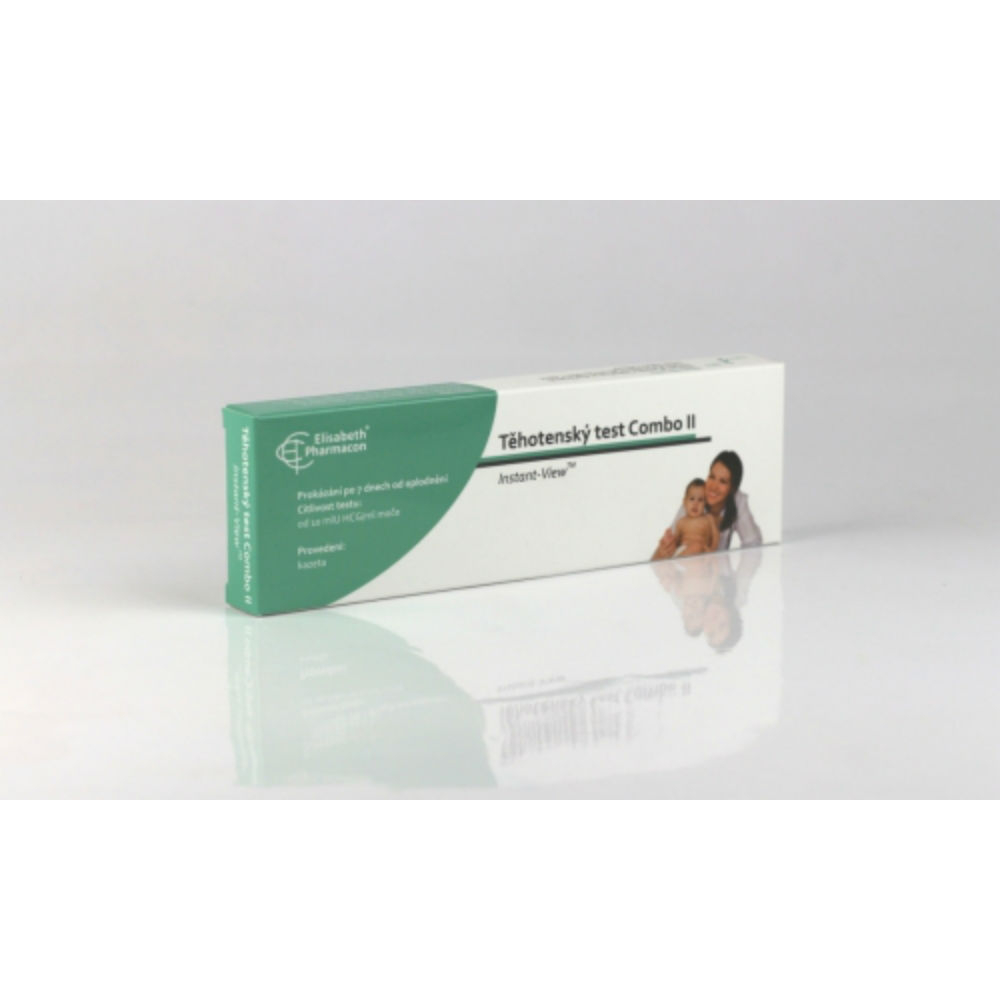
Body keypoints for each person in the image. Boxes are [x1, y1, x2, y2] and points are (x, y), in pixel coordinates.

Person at [651, 450, 761, 560]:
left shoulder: (738, 501)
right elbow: (659, 555)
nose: (713, 487)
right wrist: (666, 549)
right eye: (712, 477)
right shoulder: (695, 497)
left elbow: (753, 543)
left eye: (722, 481)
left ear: (733, 488)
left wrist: (736, 571)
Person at [666, 478, 719, 558]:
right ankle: (676, 563)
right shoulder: (682, 522)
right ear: (684, 502)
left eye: (700, 500)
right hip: (684, 553)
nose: (695, 503)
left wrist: (712, 551)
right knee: (696, 546)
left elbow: (716, 536)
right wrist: (670, 540)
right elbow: (676, 542)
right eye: (692, 499)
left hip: (703, 554)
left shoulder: (708, 518)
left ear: (705, 503)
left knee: (708, 555)